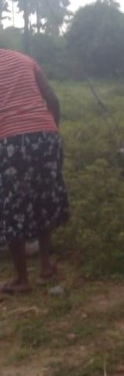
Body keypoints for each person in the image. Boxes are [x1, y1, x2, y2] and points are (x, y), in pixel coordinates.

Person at [0, 49, 69, 294]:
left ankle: (21, 280)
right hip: (45, 135)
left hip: (10, 141)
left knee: (12, 207)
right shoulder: (25, 59)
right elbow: (52, 99)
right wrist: (53, 131)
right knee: (43, 197)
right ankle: (46, 267)